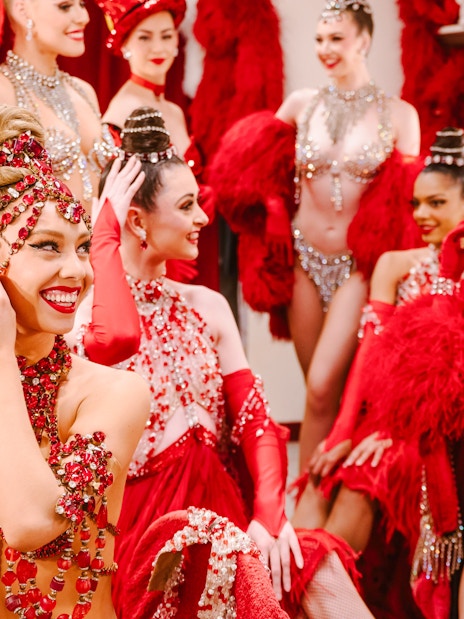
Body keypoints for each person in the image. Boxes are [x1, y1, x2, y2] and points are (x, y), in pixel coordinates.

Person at [70, 106, 382, 619]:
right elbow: (118, 336)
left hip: (230, 513)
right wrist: (103, 237)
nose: (203, 217)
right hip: (148, 538)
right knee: (227, 567)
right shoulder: (87, 319)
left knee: (315, 562)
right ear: (135, 221)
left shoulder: (206, 306)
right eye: (188, 204)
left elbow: (256, 418)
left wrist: (269, 517)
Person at [209, 0, 421, 471]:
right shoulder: (302, 105)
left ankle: (318, 513)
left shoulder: (399, 115)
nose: (325, 48)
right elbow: (246, 169)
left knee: (329, 387)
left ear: (364, 40)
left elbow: (405, 207)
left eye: (336, 39)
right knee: (319, 392)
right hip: (302, 259)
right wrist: (276, 209)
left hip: (357, 267)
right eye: (320, 39)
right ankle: (311, 517)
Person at [292, 127, 464, 618]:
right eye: (415, 204)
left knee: (357, 495)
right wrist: (343, 434)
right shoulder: (396, 264)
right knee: (314, 493)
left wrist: (395, 435)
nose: (422, 216)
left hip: (432, 433)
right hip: (382, 422)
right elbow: (370, 354)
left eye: (436, 203)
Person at [0, 103, 150, 619]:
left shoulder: (115, 393)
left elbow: (30, 522)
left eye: (83, 247)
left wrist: (0, 359)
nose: (76, 270)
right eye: (46, 246)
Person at [93, 0, 218, 286]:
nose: (158, 48)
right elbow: (116, 200)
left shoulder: (173, 110)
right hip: (156, 256)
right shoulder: (122, 112)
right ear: (125, 44)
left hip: (197, 239)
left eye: (166, 35)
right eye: (145, 37)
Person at [0, 0, 113, 214]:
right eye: (65, 6)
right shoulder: (4, 92)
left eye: (81, 4)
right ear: (22, 11)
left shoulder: (83, 91)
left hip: (103, 244)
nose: (84, 17)